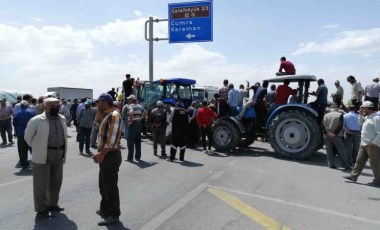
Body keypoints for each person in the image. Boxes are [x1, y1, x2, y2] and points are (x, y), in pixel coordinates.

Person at [24, 97, 68, 219]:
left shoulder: (62, 119)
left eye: (57, 105)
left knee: (56, 182)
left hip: (59, 154)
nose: (56, 108)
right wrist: (38, 148)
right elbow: (28, 138)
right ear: (45, 106)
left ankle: (53, 204)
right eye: (53, 106)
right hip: (43, 154)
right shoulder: (36, 120)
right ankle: (41, 208)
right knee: (40, 184)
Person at [92, 93, 122, 226]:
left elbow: (112, 139)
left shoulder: (114, 115)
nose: (97, 104)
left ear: (104, 102)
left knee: (110, 186)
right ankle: (105, 209)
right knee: (103, 184)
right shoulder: (105, 114)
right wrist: (99, 114)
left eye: (98, 102)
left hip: (110, 154)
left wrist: (102, 154)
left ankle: (114, 214)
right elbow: (99, 129)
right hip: (106, 154)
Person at [343, 101, 380, 187]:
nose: (361, 110)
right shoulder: (368, 117)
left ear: (367, 108)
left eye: (363, 108)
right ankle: (353, 176)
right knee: (359, 161)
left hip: (372, 145)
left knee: (375, 163)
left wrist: (374, 143)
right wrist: (360, 114)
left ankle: (378, 181)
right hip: (364, 144)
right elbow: (360, 123)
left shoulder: (376, 118)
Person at [322, 103, 351, 170]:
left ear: (331, 108)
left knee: (329, 150)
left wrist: (327, 132)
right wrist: (335, 133)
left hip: (327, 135)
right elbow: (340, 125)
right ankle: (346, 166)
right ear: (337, 108)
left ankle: (331, 164)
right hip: (337, 136)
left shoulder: (326, 115)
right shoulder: (340, 115)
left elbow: (323, 125)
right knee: (342, 151)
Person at [13, 100, 36, 168]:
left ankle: (24, 164)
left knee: (22, 150)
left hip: (21, 134)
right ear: (27, 106)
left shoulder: (17, 113)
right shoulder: (32, 112)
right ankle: (36, 162)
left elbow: (14, 124)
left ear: (20, 106)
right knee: (34, 149)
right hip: (32, 134)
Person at [126, 95, 147, 162]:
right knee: (138, 141)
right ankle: (138, 157)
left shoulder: (130, 106)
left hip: (133, 123)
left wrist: (131, 120)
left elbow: (131, 112)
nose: (128, 100)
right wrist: (140, 119)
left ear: (132, 100)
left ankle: (130, 158)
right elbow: (145, 112)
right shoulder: (139, 106)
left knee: (130, 141)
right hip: (138, 123)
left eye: (129, 99)